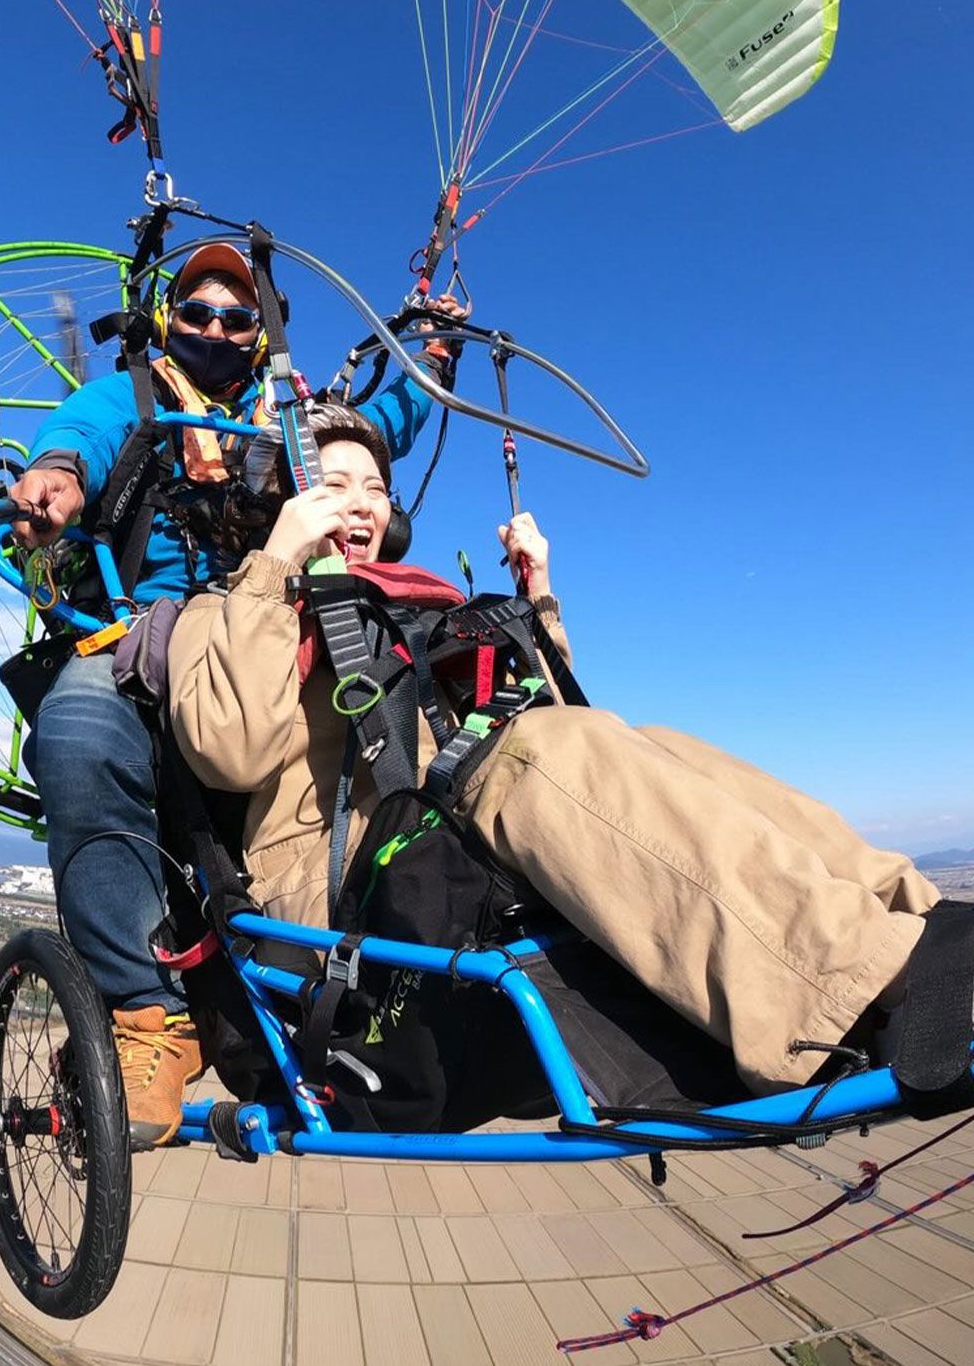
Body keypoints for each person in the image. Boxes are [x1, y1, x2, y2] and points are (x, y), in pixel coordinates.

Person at [167, 405, 940, 1097]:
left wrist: (537, 598)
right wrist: (276, 567)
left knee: (654, 742)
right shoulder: (227, 609)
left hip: (449, 825)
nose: (360, 502)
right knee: (533, 755)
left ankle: (920, 923)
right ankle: (855, 985)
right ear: (286, 503)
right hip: (338, 880)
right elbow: (229, 752)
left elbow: (564, 733)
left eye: (375, 487)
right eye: (332, 485)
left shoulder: (410, 603)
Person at [9, 249, 447, 1146]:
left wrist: (432, 357)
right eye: (196, 313)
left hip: (268, 619)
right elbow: (79, 437)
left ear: (259, 333)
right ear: (168, 320)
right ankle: (148, 1015)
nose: (214, 330)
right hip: (146, 632)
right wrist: (57, 475)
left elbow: (378, 428)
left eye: (236, 318)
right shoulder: (131, 397)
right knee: (80, 724)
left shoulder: (287, 414)